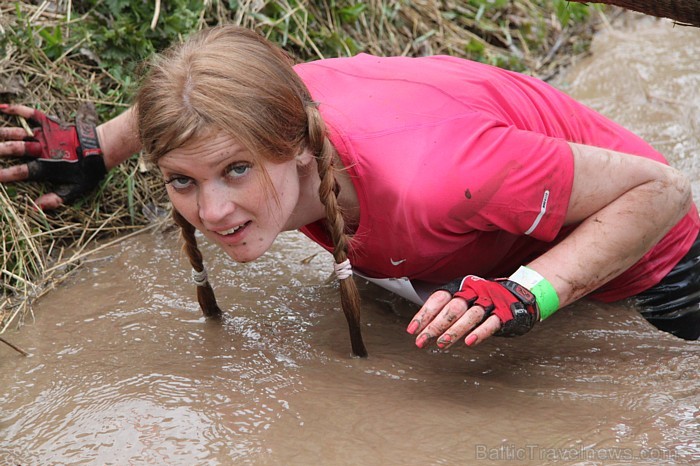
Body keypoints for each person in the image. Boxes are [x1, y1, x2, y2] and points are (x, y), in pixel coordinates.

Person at [1, 25, 698, 358]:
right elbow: (185, 101)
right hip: (476, 219)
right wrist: (97, 147)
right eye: (183, 182)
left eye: (236, 172)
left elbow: (662, 189)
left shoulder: (437, 178)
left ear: (300, 145)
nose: (210, 213)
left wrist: (531, 291)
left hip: (650, 248)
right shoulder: (257, 100)